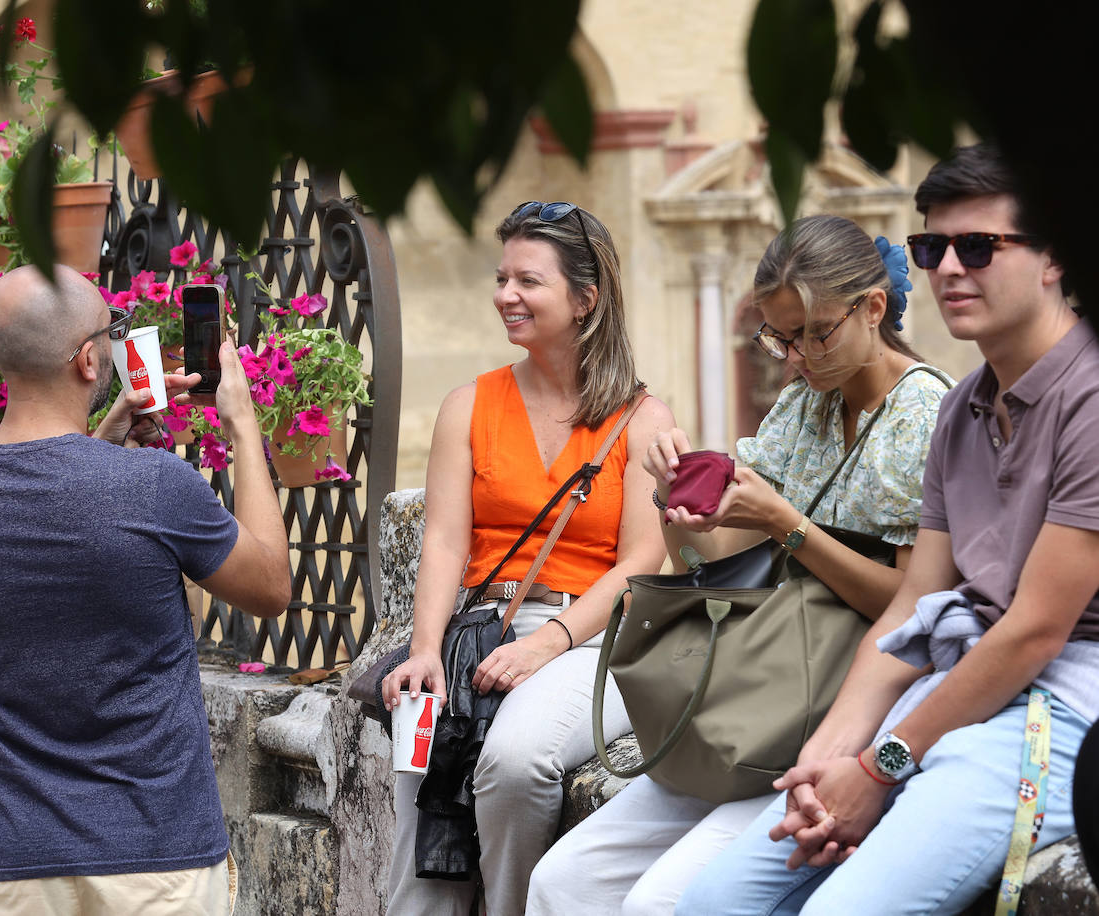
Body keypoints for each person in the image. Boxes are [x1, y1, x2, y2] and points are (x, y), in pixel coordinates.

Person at [676, 144, 1099, 915]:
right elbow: (914, 607)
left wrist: (879, 766)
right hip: (957, 687)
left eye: (978, 246)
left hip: (1066, 704)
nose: (948, 269)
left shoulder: (1090, 396)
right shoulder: (964, 409)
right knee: (712, 903)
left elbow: (1037, 631)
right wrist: (831, 750)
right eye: (931, 248)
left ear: (1053, 256)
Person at [528, 214, 952, 915]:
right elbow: (717, 563)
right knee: (559, 882)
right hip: (759, 691)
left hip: (846, 709)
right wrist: (676, 503)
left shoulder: (924, 415)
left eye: (816, 334)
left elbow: (912, 608)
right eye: (781, 337)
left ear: (874, 308)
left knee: (659, 902)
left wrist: (790, 528)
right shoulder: (803, 405)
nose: (796, 357)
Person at [0, 265, 291, 916]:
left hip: (16, 859)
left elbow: (48, 524)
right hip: (156, 855)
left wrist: (104, 437)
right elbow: (270, 587)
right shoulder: (153, 486)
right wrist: (243, 428)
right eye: (113, 333)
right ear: (89, 360)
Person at [380, 201, 674, 915]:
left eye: (528, 281)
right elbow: (446, 540)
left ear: (585, 298)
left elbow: (640, 564)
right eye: (501, 277)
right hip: (479, 628)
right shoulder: (469, 405)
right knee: (420, 753)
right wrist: (424, 650)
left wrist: (545, 644)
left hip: (590, 639)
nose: (504, 295)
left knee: (514, 762)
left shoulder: (644, 420)